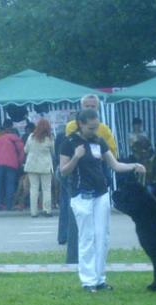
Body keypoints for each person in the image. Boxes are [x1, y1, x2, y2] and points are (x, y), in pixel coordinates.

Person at [60, 109, 145, 293]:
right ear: (80, 124)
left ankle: (100, 279)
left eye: (96, 126)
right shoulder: (69, 143)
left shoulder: (99, 141)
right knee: (87, 237)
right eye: (91, 127)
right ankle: (88, 280)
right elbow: (63, 171)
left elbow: (114, 165)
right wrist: (76, 157)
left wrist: (134, 166)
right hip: (81, 195)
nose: (95, 130)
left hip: (101, 194)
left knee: (102, 237)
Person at [0, 119, 24, 210]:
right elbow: (21, 152)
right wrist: (19, 163)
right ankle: (9, 205)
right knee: (10, 184)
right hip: (11, 164)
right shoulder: (16, 139)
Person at [24, 118, 54, 217]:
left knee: (34, 188)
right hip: (45, 166)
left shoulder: (31, 137)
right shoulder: (49, 138)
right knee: (46, 189)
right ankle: (47, 210)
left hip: (32, 165)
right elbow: (53, 152)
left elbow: (26, 150)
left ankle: (33, 212)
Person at [128, 117, 156, 191]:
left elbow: (148, 145)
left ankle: (148, 188)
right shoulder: (130, 134)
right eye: (136, 125)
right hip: (135, 156)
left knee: (148, 173)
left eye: (139, 124)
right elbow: (131, 146)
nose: (137, 126)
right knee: (137, 174)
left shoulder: (145, 133)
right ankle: (138, 189)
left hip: (146, 157)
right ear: (133, 125)